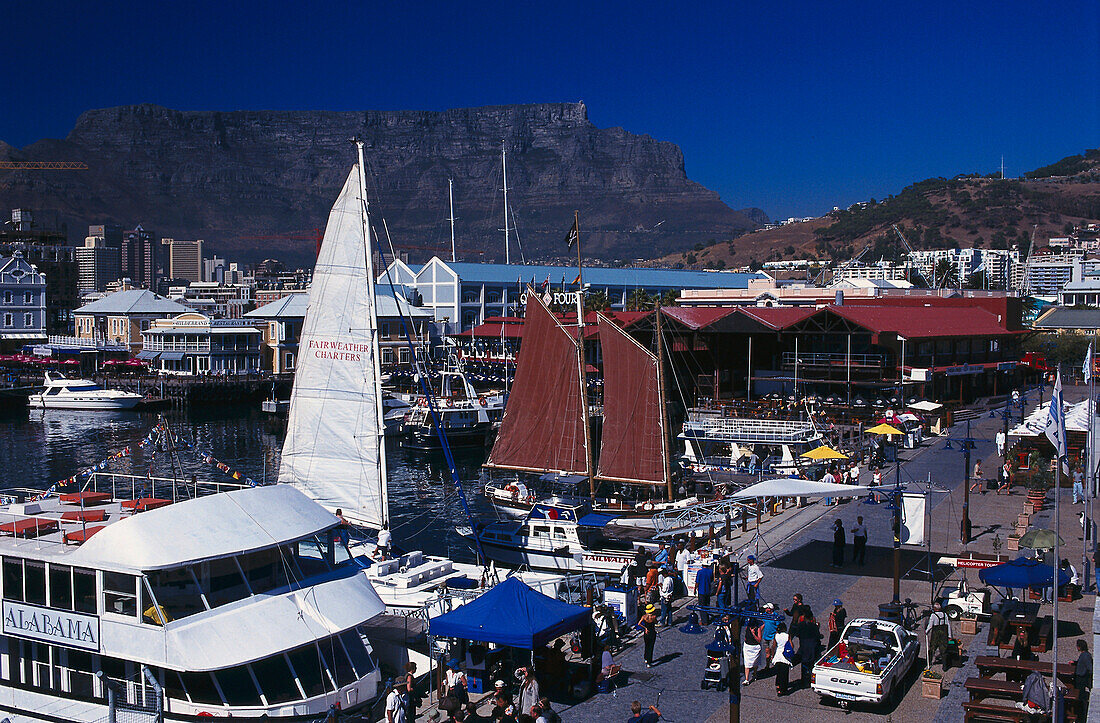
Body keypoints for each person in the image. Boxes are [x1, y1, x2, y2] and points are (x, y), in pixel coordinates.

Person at [772, 622, 794, 696]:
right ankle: (783, 689)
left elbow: (774, 646)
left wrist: (772, 655)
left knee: (778, 673)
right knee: (784, 674)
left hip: (778, 656)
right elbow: (791, 646)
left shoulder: (776, 636)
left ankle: (778, 685)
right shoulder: (787, 636)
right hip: (785, 656)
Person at [926, 601, 950, 666]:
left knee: (932, 648)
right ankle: (945, 665)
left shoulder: (933, 615)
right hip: (944, 634)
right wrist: (950, 636)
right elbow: (948, 625)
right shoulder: (945, 615)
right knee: (943, 649)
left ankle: (929, 662)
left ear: (935, 608)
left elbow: (930, 625)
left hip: (936, 633)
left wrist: (926, 631)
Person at [742, 617, 764, 686]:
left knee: (755, 662)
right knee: (747, 663)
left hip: (755, 647)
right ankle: (747, 679)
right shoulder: (747, 627)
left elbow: (759, 639)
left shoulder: (758, 629)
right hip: (748, 646)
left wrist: (754, 634)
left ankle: (755, 674)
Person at [695, 559, 714, 623]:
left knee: (702, 606)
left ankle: (704, 621)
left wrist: (695, 589)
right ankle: (707, 618)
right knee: (707, 605)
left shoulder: (699, 572)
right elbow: (711, 580)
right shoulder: (710, 571)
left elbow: (697, 582)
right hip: (708, 590)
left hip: (701, 591)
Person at [761, 603, 779, 669]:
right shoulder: (764, 615)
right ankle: (767, 665)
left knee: (772, 650)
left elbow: (777, 626)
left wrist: (776, 636)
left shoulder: (775, 616)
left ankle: (774, 663)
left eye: (766, 608)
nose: (765, 609)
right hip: (765, 636)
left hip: (772, 636)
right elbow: (762, 624)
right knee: (767, 651)